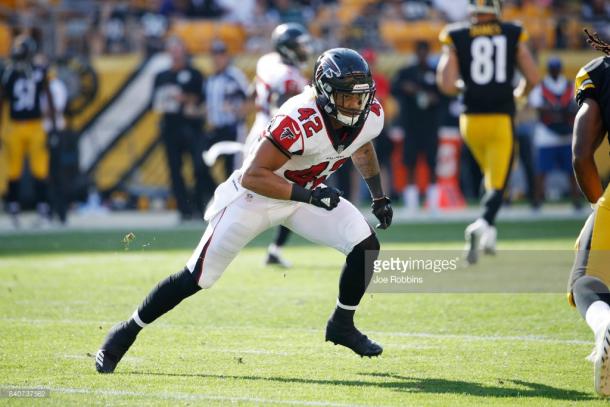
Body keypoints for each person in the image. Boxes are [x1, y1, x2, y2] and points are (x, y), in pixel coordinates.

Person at [95, 48, 393, 373]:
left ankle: (341, 325)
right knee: (196, 277)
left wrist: (378, 196)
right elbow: (254, 176)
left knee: (365, 245)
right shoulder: (298, 118)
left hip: (303, 197)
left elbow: (362, 146)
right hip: (255, 198)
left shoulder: (369, 114)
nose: (355, 106)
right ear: (324, 91)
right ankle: (126, 332)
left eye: (360, 98)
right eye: (346, 98)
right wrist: (308, 196)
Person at [436, 0, 539, 263]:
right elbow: (532, 76)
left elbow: (446, 84)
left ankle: (489, 234)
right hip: (500, 118)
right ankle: (481, 224)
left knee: (490, 176)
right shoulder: (512, 31)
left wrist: (464, 87)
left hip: (470, 121)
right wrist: (520, 95)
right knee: (498, 180)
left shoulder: (456, 33)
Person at [567, 29, 610, 397]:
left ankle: (605, 324)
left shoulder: (600, 72)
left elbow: (582, 154)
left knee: (587, 284)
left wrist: (599, 207)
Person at [247, 23, 312, 268]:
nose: (305, 49)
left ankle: (274, 249)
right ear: (287, 48)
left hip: (259, 133)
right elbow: (285, 112)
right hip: (274, 141)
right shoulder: (288, 76)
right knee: (291, 194)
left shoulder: (266, 62)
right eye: (300, 45)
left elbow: (253, 90)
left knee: (291, 196)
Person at [152, 36, 212, 221]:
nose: (176, 54)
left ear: (184, 51)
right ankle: (184, 209)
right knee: (175, 170)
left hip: (192, 128)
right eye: (172, 50)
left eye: (178, 49)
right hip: (170, 128)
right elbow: (153, 103)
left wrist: (184, 99)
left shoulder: (195, 73)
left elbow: (202, 101)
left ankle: (201, 206)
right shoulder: (161, 76)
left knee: (198, 167)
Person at [0, 34, 56, 228]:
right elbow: (48, 97)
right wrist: (53, 126)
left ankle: (24, 210)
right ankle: (35, 210)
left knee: (30, 170)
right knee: (28, 170)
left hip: (25, 126)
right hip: (29, 126)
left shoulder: (9, 72)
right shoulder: (38, 71)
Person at [392, 40, 443, 212]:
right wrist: (406, 88)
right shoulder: (407, 73)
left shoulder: (436, 72)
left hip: (430, 125)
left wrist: (433, 98)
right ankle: (411, 203)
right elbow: (395, 88)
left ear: (428, 53)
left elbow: (445, 95)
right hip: (411, 125)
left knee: (432, 163)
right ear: (416, 53)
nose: (422, 55)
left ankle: (433, 204)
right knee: (410, 163)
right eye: (419, 51)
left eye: (424, 51)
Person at [529, 57, 580, 209]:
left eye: (557, 68)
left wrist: (557, 110)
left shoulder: (570, 86)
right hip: (546, 133)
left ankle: (576, 201)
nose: (555, 71)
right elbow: (539, 108)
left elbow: (576, 106)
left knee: (572, 171)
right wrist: (560, 110)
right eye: (552, 68)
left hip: (567, 133)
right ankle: (537, 201)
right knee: (541, 170)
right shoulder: (541, 87)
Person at [204, 40, 249, 180]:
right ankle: (212, 196)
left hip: (233, 128)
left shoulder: (235, 75)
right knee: (201, 163)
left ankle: (231, 201)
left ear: (226, 56)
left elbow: (251, 99)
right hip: (216, 129)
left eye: (221, 54)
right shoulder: (210, 80)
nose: (218, 58)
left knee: (233, 171)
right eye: (215, 55)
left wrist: (236, 109)